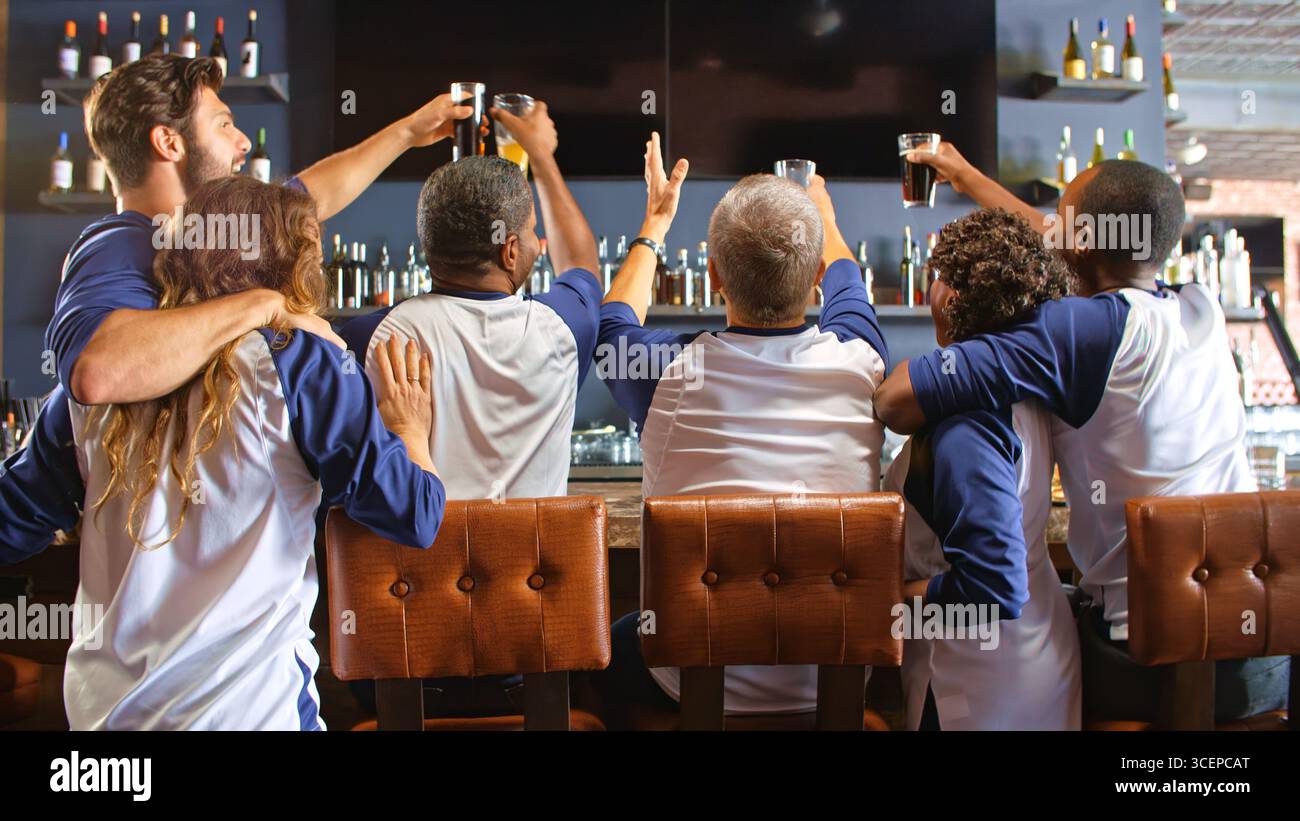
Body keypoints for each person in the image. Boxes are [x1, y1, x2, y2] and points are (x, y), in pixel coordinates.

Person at [13, 176, 446, 729]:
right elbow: (414, 514)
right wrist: (408, 428)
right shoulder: (303, 364)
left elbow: (12, 521)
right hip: (252, 713)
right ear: (291, 265)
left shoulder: (88, 390)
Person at [874, 152, 1288, 722]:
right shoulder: (1198, 305)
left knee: (1043, 622)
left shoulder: (1079, 330)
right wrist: (964, 176)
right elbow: (1064, 243)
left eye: (1063, 220)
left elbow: (897, 399)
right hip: (1262, 656)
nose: (1052, 230)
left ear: (1084, 241)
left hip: (1149, 661)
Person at [591, 134, 888, 724]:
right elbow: (848, 279)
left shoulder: (667, 372)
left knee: (607, 641)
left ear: (713, 275)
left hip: (687, 683)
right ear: (818, 278)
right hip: (843, 675)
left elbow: (612, 325)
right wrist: (823, 214)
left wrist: (654, 223)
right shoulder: (862, 360)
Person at [338, 101, 600, 716]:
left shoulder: (371, 338)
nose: (540, 242)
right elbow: (580, 262)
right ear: (511, 251)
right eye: (531, 233)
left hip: (401, 662)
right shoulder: (563, 327)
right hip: (534, 660)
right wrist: (541, 155)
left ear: (427, 245)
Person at [47, 53, 480, 409]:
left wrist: (406, 132)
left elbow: (309, 197)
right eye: (223, 124)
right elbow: (96, 372)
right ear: (169, 143)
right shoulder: (117, 244)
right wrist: (264, 304)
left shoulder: (211, 230)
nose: (244, 142)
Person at [884, 208, 1080, 730]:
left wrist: (886, 604)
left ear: (949, 297)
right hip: (1037, 655)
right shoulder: (1026, 388)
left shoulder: (964, 424)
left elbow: (992, 589)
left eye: (938, 277)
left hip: (974, 684)